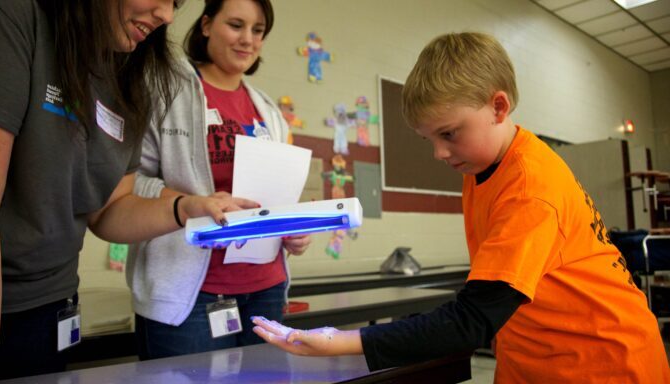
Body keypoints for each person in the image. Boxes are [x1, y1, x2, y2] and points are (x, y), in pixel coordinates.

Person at [252, 32, 670, 383]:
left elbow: (472, 319)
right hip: (536, 357)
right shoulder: (482, 166)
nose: (438, 153)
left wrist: (342, 342)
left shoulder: (529, 186)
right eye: (428, 139)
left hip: (604, 364)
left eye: (449, 133)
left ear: (499, 107)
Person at [0, 0, 256, 382]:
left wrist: (185, 208)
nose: (167, 16)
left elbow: (109, 211)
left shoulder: (125, 68)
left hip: (48, 308)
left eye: (175, 3)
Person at [128, 0, 311, 360]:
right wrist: (194, 204)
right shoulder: (165, 90)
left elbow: (275, 195)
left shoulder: (269, 111)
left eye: (257, 31)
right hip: (191, 295)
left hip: (266, 288)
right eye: (236, 25)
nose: (247, 40)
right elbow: (130, 184)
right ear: (207, 25)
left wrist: (291, 228)